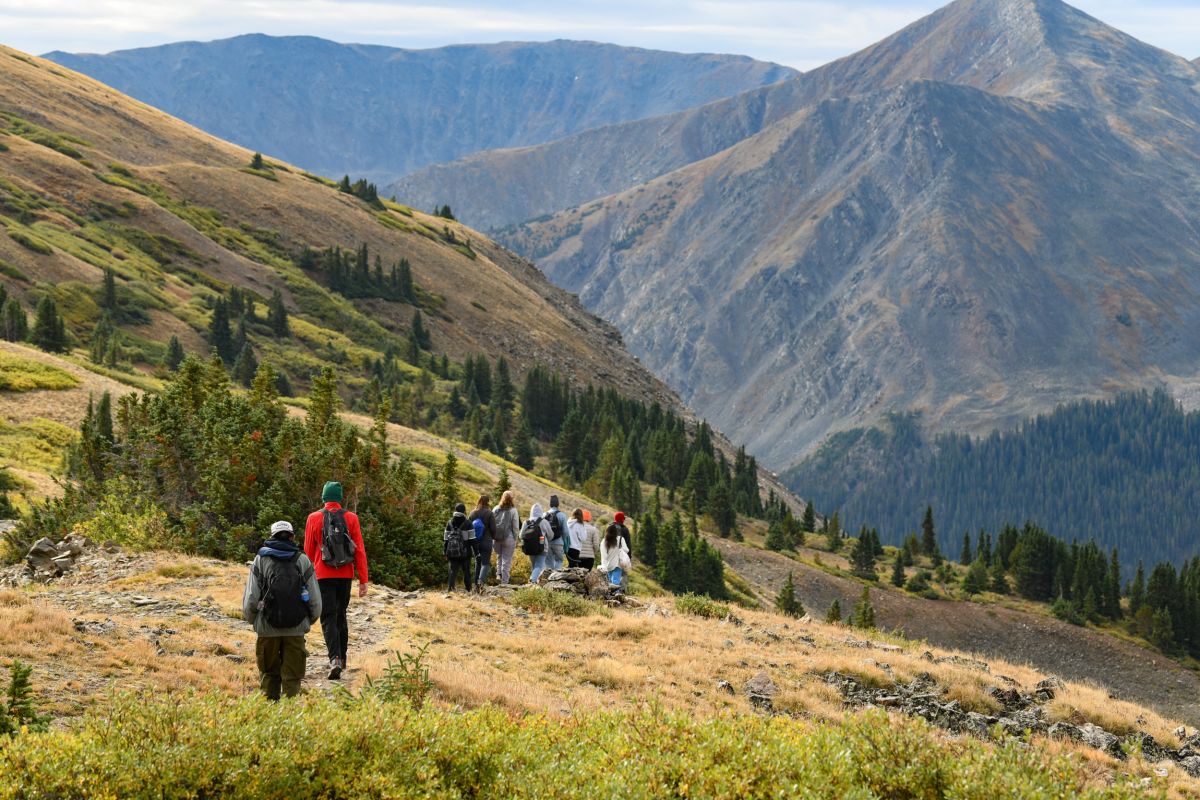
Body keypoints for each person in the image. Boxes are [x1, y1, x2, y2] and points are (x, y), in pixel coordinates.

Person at [243, 520, 322, 700]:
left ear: (272, 537)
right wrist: (307, 621)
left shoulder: (260, 560)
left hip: (266, 629)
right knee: (292, 678)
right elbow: (316, 601)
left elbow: (251, 599)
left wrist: (254, 620)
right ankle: (291, 717)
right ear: (292, 536)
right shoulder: (302, 560)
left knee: (269, 674)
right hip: (296, 629)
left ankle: (270, 717)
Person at [303, 481, 369, 681]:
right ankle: (344, 658)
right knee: (341, 614)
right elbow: (359, 550)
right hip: (345, 574)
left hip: (322, 575)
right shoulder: (351, 518)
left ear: (324, 497)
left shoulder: (313, 518)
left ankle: (334, 659)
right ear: (340, 498)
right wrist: (363, 579)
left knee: (328, 617)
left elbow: (308, 551)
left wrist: (306, 579)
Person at [468, 495, 496, 591]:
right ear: (488, 502)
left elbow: (468, 527)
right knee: (485, 563)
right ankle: (480, 582)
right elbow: (493, 529)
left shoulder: (472, 513)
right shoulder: (489, 513)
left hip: (475, 541)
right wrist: (494, 537)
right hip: (486, 541)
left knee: (477, 561)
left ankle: (476, 583)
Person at [492, 491, 521, 585]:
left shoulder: (496, 508)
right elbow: (516, 527)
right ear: (512, 499)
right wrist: (515, 539)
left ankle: (498, 574)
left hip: (496, 538)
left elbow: (491, 524)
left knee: (499, 556)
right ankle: (504, 583)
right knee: (507, 560)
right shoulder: (513, 510)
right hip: (508, 538)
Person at [445, 502, 474, 592]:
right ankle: (468, 589)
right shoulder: (468, 523)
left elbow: (446, 539)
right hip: (465, 551)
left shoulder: (449, 523)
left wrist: (445, 552)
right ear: (464, 511)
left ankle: (450, 589)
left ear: (455, 510)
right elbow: (472, 539)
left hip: (452, 551)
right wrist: (476, 552)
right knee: (466, 571)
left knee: (452, 571)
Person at [523, 503, 553, 582]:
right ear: (541, 511)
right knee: (539, 565)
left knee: (534, 565)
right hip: (542, 547)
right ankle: (533, 580)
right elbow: (550, 535)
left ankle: (533, 582)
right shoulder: (544, 522)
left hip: (530, 548)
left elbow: (520, 535)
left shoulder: (526, 522)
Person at [599, 523, 631, 588]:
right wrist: (620, 549)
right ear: (616, 531)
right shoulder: (620, 539)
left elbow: (603, 555)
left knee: (609, 582)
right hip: (617, 564)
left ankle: (610, 595)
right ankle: (616, 594)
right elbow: (627, 550)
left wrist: (603, 566)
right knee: (616, 581)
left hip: (607, 565)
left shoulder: (604, 541)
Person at [608, 512, 633, 590]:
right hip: (621, 555)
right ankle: (620, 591)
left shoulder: (609, 528)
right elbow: (628, 544)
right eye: (624, 518)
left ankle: (610, 589)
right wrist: (629, 556)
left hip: (610, 553)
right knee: (623, 573)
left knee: (610, 572)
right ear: (622, 519)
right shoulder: (624, 529)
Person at [546, 495, 569, 570]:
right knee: (559, 560)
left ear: (550, 504)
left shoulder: (545, 515)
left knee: (548, 562)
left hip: (548, 542)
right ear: (558, 504)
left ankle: (549, 578)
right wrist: (562, 539)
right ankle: (555, 578)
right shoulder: (562, 515)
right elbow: (565, 531)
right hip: (558, 542)